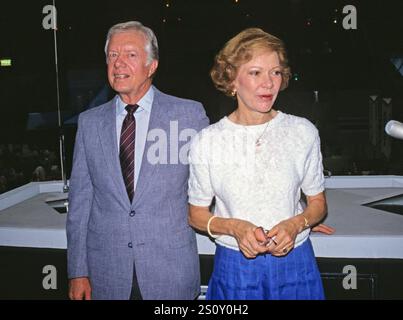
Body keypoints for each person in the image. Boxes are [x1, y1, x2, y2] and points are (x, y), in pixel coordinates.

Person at [66, 21, 209, 300]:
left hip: (170, 274)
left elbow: (217, 183)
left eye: (130, 55)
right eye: (112, 55)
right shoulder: (89, 123)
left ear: (152, 65)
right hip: (106, 276)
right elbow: (81, 204)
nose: (118, 64)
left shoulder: (189, 116)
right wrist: (77, 271)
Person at [188, 28, 334, 300]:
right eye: (256, 72)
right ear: (231, 79)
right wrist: (235, 228)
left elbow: (318, 204)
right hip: (234, 267)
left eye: (276, 72)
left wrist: (296, 224)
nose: (269, 83)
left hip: (296, 264)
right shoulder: (207, 142)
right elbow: (196, 214)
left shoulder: (303, 132)